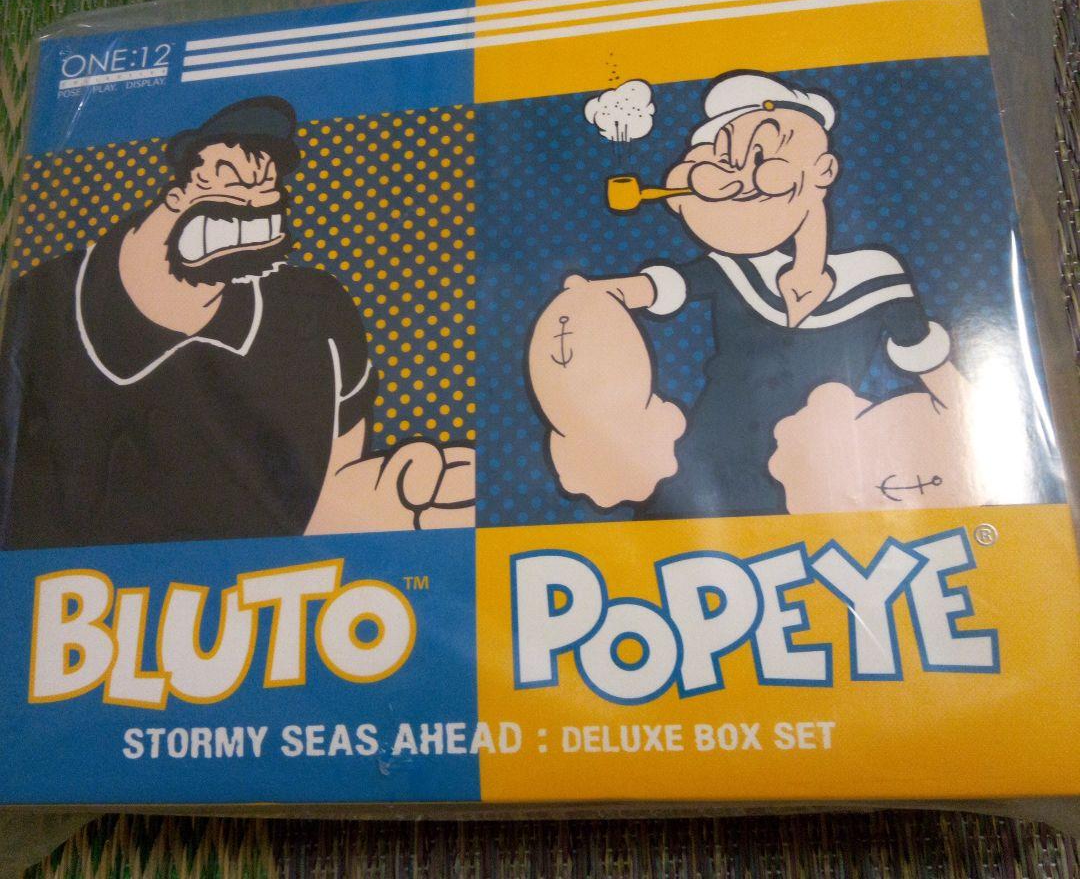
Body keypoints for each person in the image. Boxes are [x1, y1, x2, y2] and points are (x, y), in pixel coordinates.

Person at [0, 96, 474, 548]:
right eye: (227, 179)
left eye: (266, 187)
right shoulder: (40, 309)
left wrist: (380, 508)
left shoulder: (319, 311)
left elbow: (332, 493)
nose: (252, 203)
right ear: (175, 193)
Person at [528, 70, 966, 518]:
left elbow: (935, 371)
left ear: (825, 170)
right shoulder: (733, 268)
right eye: (724, 160)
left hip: (815, 483)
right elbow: (664, 286)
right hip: (703, 475)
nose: (739, 180)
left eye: (760, 155)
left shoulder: (877, 276)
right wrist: (600, 298)